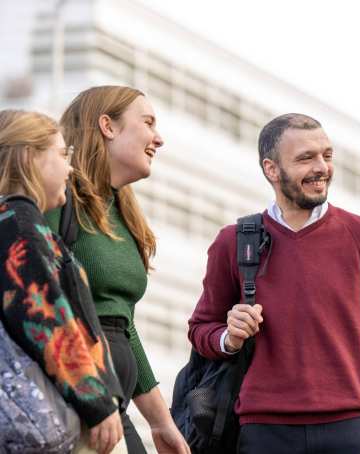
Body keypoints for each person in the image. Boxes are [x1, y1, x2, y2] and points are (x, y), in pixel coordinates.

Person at [188, 113, 360, 454]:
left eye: (326, 155)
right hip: (261, 432)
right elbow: (201, 328)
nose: (321, 167)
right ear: (271, 169)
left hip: (350, 430)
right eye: (306, 158)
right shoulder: (233, 241)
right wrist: (229, 338)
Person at [45, 86, 190, 454]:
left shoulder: (123, 213)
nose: (159, 138)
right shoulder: (58, 199)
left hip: (113, 403)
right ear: (107, 126)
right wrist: (91, 400)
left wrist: (161, 422)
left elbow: (122, 323)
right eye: (148, 122)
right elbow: (35, 304)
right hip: (71, 404)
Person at [0, 109, 125, 453]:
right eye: (61, 154)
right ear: (29, 156)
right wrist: (97, 404)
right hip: (55, 427)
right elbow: (47, 320)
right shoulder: (19, 224)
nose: (70, 167)